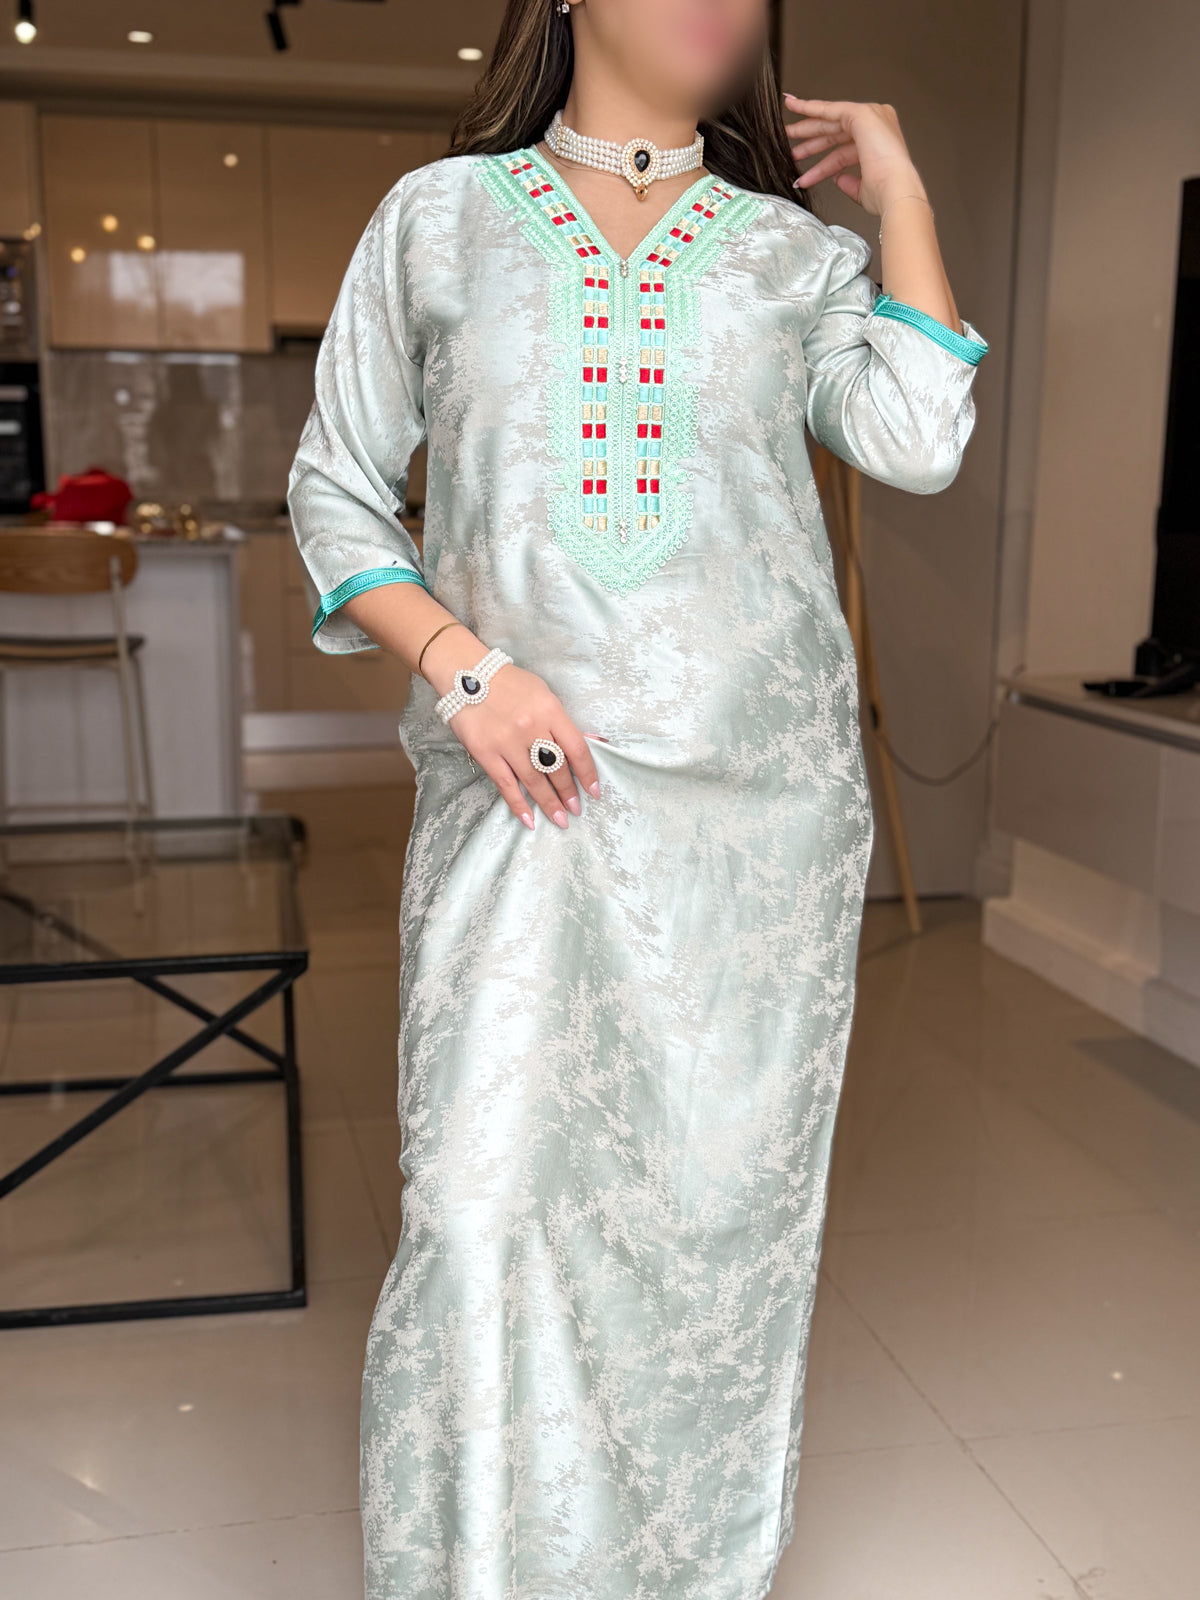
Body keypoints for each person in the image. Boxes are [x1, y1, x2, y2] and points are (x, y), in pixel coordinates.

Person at [287, 1, 989, 1595]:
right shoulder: (441, 220)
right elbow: (335, 488)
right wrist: (467, 668)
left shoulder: (788, 254)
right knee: (478, 1215)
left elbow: (915, 436)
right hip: (520, 804)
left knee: (705, 1235)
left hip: (756, 831)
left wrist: (900, 194)